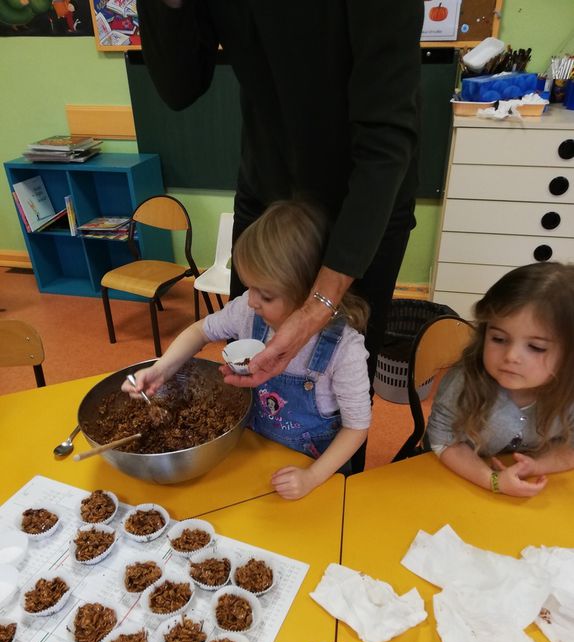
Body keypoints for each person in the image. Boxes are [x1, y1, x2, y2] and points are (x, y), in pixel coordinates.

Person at [137, 0, 424, 401]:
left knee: (336, 388)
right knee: (249, 373)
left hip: (361, 207)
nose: (253, 303)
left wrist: (317, 307)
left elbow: (386, 142)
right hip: (269, 196)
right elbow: (179, 86)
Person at [124, 201, 372, 500]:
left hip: (314, 471)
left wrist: (312, 477)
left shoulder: (344, 350)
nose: (251, 300)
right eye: (248, 286)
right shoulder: (247, 311)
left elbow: (357, 428)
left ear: (307, 294)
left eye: (265, 294)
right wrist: (162, 369)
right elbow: (199, 331)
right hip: (252, 455)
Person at [426, 262, 574, 498]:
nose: (511, 357)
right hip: (461, 478)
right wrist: (493, 480)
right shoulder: (465, 380)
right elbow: (443, 441)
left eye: (536, 347)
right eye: (498, 339)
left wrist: (538, 466)